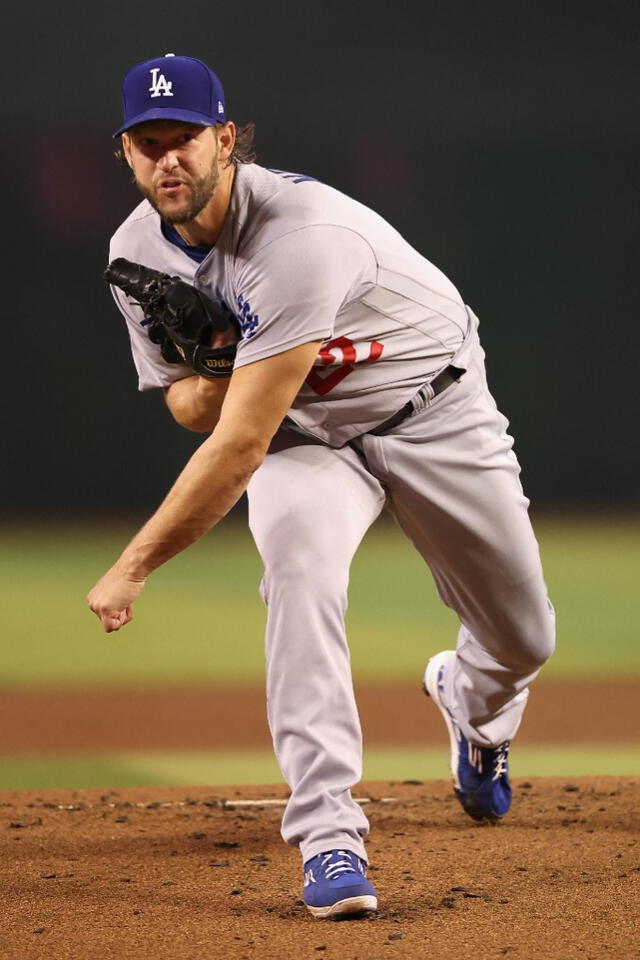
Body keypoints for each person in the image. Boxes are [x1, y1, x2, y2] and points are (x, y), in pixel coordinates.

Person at [88, 53, 555, 920]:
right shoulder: (133, 249)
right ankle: (328, 836)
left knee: (525, 636)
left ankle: (474, 707)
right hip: (310, 439)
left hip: (431, 409)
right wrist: (221, 365)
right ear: (124, 153)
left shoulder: (298, 236)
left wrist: (136, 564)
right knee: (298, 570)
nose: (168, 161)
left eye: (184, 139)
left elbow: (234, 448)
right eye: (147, 144)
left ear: (226, 139)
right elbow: (192, 407)